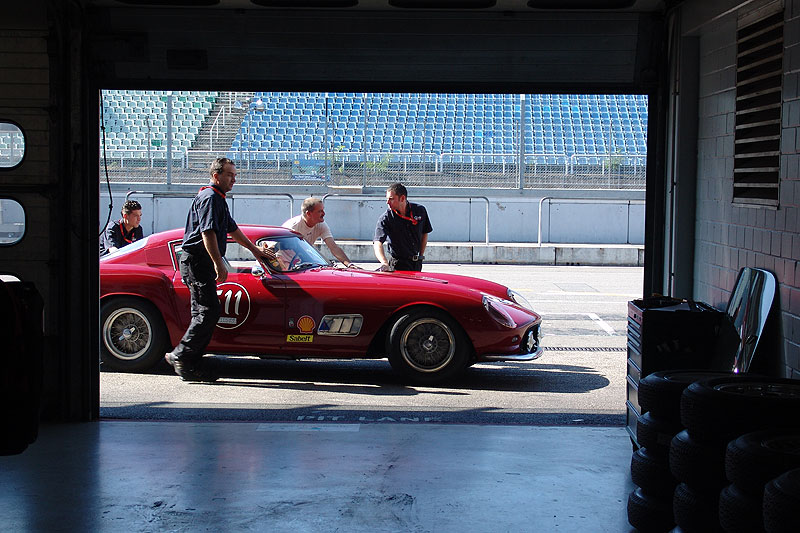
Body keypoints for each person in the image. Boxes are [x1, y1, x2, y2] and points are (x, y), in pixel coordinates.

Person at [165, 157, 276, 382]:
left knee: (206, 312)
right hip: (197, 262)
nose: (234, 179)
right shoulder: (210, 198)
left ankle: (189, 362)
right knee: (207, 312)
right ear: (216, 176)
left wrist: (255, 250)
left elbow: (232, 228)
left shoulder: (218, 198)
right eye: (229, 175)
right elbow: (208, 233)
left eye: (234, 175)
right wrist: (218, 263)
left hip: (199, 262)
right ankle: (182, 356)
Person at [282, 197, 359, 268]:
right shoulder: (293, 227)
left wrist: (350, 265)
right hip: (282, 265)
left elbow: (334, 247)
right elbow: (274, 248)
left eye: (323, 210)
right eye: (320, 211)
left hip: (298, 264)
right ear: (309, 214)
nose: (324, 213)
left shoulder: (321, 225)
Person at [373, 183, 432, 272]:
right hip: (398, 264)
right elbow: (377, 242)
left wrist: (421, 254)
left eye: (391, 199)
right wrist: (384, 263)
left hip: (416, 263)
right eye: (387, 199)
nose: (387, 202)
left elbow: (425, 232)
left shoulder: (420, 210)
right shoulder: (386, 218)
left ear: (402, 198)